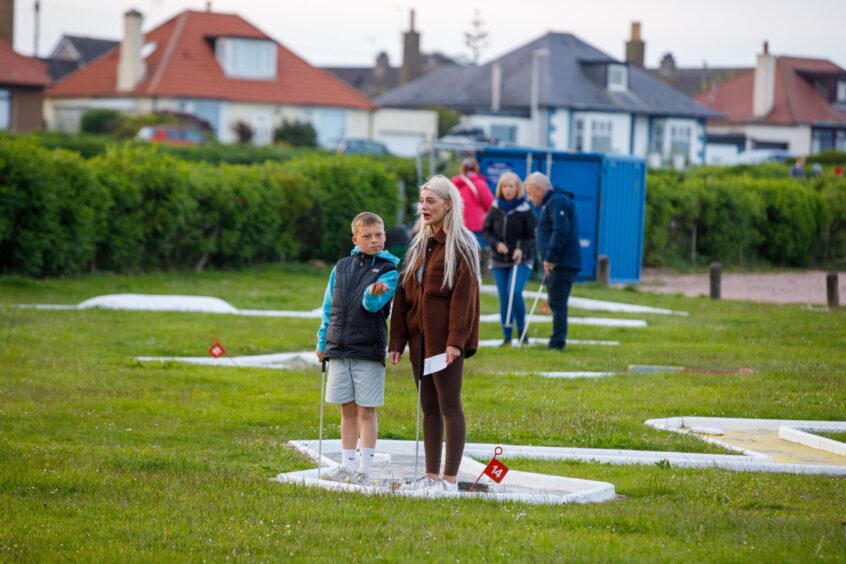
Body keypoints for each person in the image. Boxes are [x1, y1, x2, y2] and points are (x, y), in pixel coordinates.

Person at [389, 175, 481, 492]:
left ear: (448, 204)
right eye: (422, 201)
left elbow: (464, 299)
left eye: (430, 201)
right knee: (428, 408)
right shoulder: (418, 245)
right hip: (420, 340)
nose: (424, 207)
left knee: (449, 407)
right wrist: (397, 341)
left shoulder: (462, 246)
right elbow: (403, 295)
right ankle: (431, 477)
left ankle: (450, 480)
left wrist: (456, 342)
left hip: (445, 343)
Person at [315, 212, 400, 486]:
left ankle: (364, 470)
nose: (375, 240)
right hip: (338, 347)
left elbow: (374, 307)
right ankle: (347, 466)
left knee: (366, 410)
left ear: (385, 236)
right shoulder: (340, 267)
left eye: (379, 235)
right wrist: (322, 342)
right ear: (355, 239)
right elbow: (329, 307)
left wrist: (372, 294)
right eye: (367, 236)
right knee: (346, 409)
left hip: (368, 349)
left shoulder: (390, 270)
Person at [524, 172, 582, 351]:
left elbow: (561, 230)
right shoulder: (551, 203)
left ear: (540, 189)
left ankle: (557, 343)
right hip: (559, 262)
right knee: (556, 301)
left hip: (562, 262)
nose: (530, 197)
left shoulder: (556, 202)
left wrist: (550, 257)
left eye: (531, 193)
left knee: (558, 302)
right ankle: (557, 340)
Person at [481, 171, 536, 346]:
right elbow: (486, 232)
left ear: (517, 188)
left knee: (515, 292)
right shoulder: (495, 207)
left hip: (521, 259)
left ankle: (522, 333)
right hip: (498, 260)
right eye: (504, 186)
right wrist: (497, 244)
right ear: (500, 189)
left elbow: (532, 236)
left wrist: (521, 249)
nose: (507, 190)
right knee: (504, 297)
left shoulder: (526, 209)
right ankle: (507, 336)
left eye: (511, 186)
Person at [451, 157, 495, 250]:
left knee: (460, 253)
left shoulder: (454, 183)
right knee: (476, 254)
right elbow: (490, 204)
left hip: (459, 224)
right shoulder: (480, 183)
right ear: (476, 168)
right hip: (477, 225)